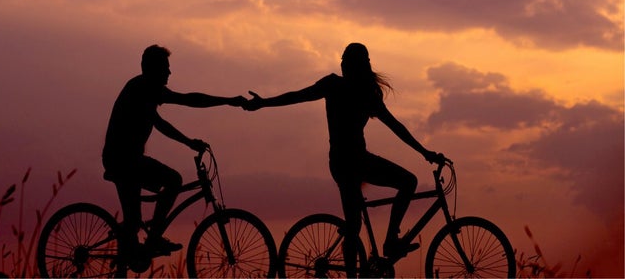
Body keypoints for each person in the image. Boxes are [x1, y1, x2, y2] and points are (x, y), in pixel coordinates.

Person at [244, 42, 442, 277]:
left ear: (354, 64)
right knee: (395, 192)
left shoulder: (354, 91)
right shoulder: (347, 89)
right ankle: (388, 243)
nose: (342, 63)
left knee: (362, 218)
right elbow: (298, 96)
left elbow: (395, 126)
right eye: (343, 59)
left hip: (349, 161)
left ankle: (385, 245)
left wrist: (424, 151)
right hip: (350, 162)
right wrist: (425, 153)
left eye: (345, 60)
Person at [102, 44, 246, 267]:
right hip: (123, 160)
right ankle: (152, 239)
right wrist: (227, 101)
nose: (169, 73)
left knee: (133, 223)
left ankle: (133, 248)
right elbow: (183, 106)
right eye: (165, 68)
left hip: (126, 160)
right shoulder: (142, 88)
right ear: (153, 69)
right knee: (172, 181)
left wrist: (225, 102)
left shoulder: (146, 90)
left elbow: (183, 104)